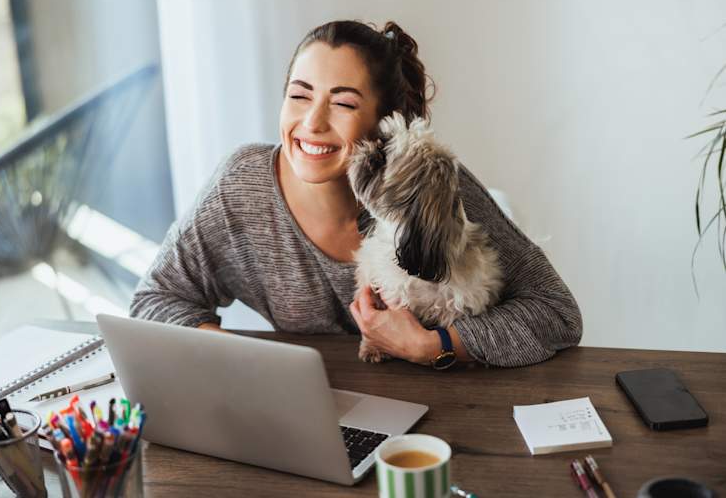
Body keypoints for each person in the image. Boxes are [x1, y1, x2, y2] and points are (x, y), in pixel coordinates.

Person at [130, 20, 582, 368]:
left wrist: (433, 346)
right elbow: (154, 300)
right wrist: (249, 363)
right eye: (299, 96)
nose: (312, 123)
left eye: (343, 103)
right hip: (313, 411)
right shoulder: (241, 187)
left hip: (445, 415)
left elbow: (556, 312)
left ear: (384, 121)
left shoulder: (430, 191)